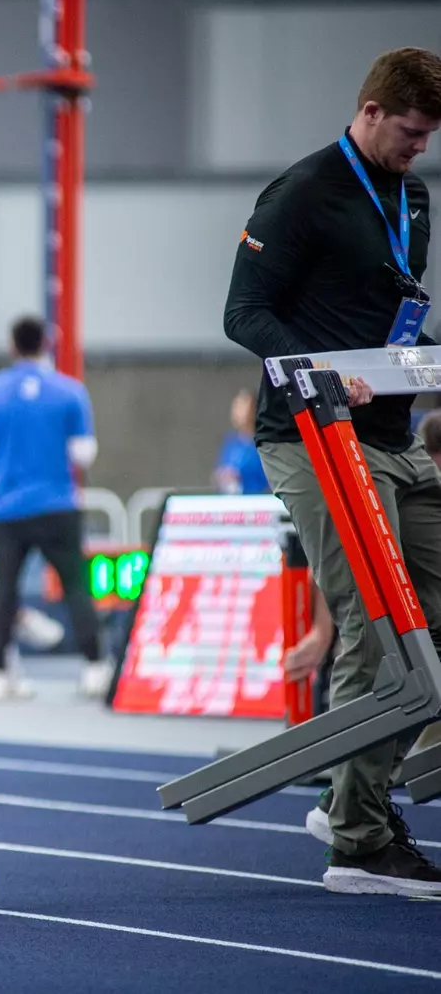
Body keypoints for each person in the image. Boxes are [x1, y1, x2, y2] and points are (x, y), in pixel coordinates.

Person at [223, 46, 441, 894]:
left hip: (396, 436)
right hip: (312, 435)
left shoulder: (412, 197)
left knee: (430, 612)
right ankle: (356, 840)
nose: (417, 150)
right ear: (372, 110)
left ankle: (351, 783)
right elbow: (243, 313)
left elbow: (391, 315)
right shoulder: (302, 192)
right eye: (410, 134)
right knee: (377, 622)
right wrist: (317, 369)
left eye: (428, 139)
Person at [0, 315, 110, 701]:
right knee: (76, 585)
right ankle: (95, 667)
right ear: (45, 344)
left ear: (12, 345)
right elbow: (84, 452)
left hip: (8, 507)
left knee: (6, 589)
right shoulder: (70, 392)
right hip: (58, 504)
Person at [214, 388, 269, 495]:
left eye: (243, 406)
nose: (237, 411)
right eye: (236, 406)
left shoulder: (263, 444)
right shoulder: (231, 443)